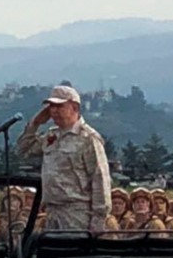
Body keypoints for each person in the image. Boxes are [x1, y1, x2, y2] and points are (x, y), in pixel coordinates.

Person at [16, 85, 111, 231]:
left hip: (77, 212)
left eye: (59, 106)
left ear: (74, 107)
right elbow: (23, 150)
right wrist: (34, 124)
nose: (53, 110)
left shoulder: (88, 139)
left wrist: (98, 219)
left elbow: (100, 178)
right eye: (51, 106)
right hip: (52, 210)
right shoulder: (52, 135)